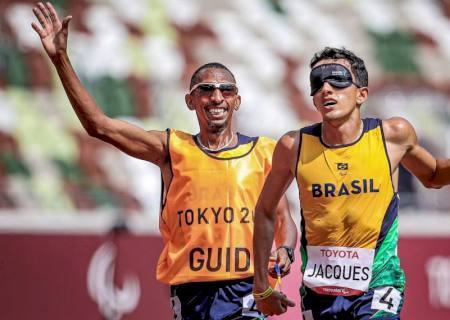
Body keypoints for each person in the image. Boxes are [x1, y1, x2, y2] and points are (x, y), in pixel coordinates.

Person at [31, 2, 298, 319]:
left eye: (226, 90)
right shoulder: (172, 149)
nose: (216, 97)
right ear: (191, 100)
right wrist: (60, 58)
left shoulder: (264, 152)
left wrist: (286, 249)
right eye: (206, 89)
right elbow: (99, 126)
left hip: (246, 291)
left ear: (236, 100)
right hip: (191, 295)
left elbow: (284, 220)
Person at [252, 46, 450, 319]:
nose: (326, 88)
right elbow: (264, 210)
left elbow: (433, 176)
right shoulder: (293, 146)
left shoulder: (392, 136)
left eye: (337, 79)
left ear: (362, 93)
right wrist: (261, 287)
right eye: (317, 82)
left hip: (378, 285)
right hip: (320, 292)